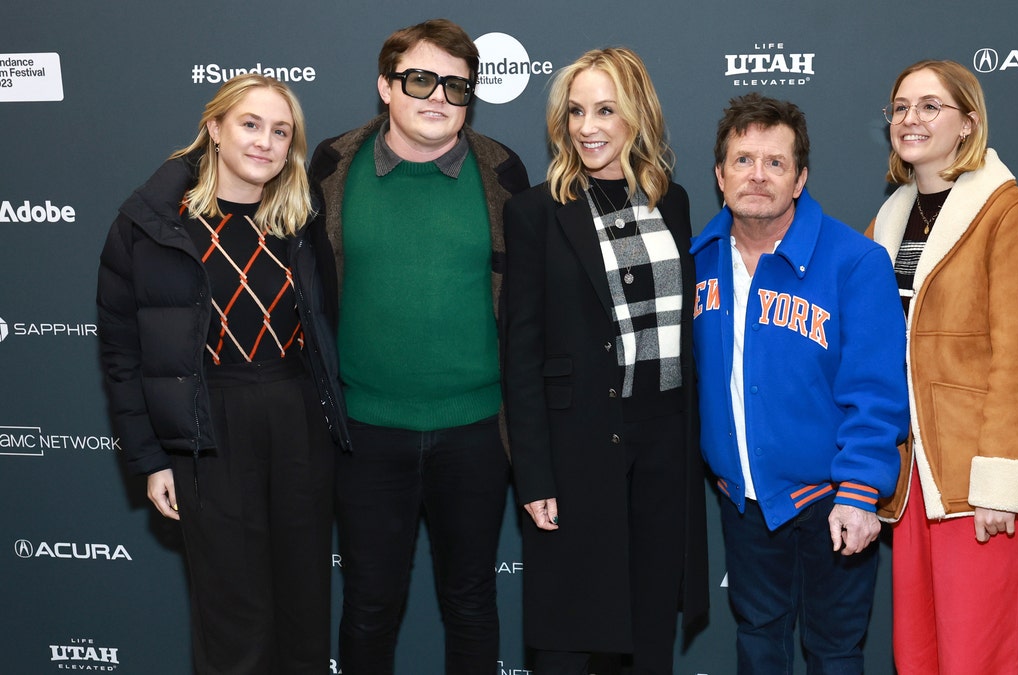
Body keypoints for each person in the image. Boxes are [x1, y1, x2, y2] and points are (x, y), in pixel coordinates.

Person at [97, 73, 349, 675]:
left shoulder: (301, 221)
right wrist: (152, 458)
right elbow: (122, 353)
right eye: (250, 124)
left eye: (281, 131)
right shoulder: (151, 224)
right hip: (208, 430)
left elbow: (325, 330)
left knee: (304, 612)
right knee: (233, 619)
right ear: (213, 129)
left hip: (295, 421)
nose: (265, 142)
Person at [307, 18, 529, 674]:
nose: (438, 96)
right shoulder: (333, 166)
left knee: (471, 602)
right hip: (367, 434)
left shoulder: (501, 172)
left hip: (478, 435)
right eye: (421, 78)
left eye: (456, 86)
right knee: (370, 607)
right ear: (386, 85)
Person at [503, 47, 708, 674]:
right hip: (576, 445)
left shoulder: (672, 201)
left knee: (647, 632)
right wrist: (533, 475)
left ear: (636, 117)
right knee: (567, 633)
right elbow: (520, 350)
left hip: (662, 447)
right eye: (575, 112)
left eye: (605, 110)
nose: (587, 127)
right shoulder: (536, 211)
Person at [690, 93, 909, 674]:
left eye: (775, 163)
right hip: (743, 499)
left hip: (832, 499)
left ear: (800, 178)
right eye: (742, 160)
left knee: (834, 651)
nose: (756, 175)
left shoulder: (855, 261)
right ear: (719, 173)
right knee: (758, 641)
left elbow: (878, 392)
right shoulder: (697, 260)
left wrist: (861, 493)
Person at [867, 59, 1018, 675]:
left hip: (976, 480)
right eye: (900, 107)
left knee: (977, 656)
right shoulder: (888, 220)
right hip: (911, 475)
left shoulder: (1007, 213)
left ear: (968, 123)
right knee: (916, 653)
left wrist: (1000, 483)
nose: (910, 119)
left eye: (929, 106)